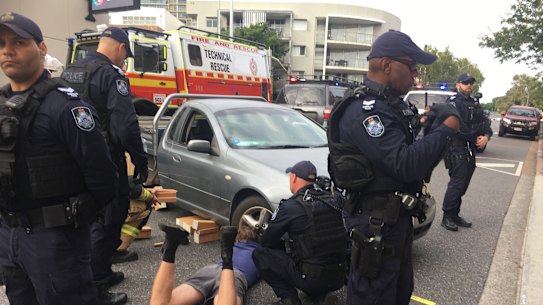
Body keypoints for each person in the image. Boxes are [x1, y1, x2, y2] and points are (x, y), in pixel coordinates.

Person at [327, 29, 461, 305]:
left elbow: (418, 167)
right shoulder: (365, 111)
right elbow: (404, 163)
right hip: (374, 223)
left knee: (399, 292)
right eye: (411, 67)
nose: (415, 76)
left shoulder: (392, 108)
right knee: (373, 298)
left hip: (395, 220)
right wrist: (446, 131)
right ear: (387, 66)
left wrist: (431, 130)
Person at [0, 12, 118, 305]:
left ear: (41, 49)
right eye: (1, 43)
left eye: (18, 41)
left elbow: (104, 178)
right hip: (9, 234)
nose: (7, 50)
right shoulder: (2, 105)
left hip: (53, 239)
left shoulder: (66, 108)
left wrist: (71, 222)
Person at [61, 26, 148, 304]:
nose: (124, 61)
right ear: (121, 48)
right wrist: (139, 158)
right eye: (126, 56)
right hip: (104, 159)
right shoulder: (112, 76)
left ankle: (101, 270)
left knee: (84, 217)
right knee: (110, 216)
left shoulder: (70, 71)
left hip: (72, 159)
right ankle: (96, 285)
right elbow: (125, 126)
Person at [252, 160, 348, 305]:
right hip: (339, 276)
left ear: (294, 178)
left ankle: (289, 298)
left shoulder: (292, 206)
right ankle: (320, 296)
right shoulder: (334, 199)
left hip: (312, 278)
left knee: (260, 253)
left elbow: (267, 241)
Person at [150, 224, 260, 305]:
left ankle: (170, 248)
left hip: (210, 270)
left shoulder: (235, 245)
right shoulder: (261, 252)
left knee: (160, 303)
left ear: (236, 240)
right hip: (232, 275)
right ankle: (227, 259)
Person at [440, 73, 492, 231]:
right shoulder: (453, 103)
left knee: (463, 184)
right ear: (458, 85)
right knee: (457, 183)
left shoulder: (474, 103)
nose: (468, 85)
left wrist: (486, 136)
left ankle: (455, 213)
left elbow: (484, 123)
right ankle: (447, 216)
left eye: (470, 83)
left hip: (469, 148)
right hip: (455, 147)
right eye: (465, 83)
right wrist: (475, 136)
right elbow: (456, 127)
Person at [112, 179, 159, 263]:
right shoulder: (129, 165)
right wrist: (150, 197)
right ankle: (117, 250)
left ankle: (98, 245)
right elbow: (133, 190)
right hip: (114, 203)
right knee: (143, 205)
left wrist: (144, 189)